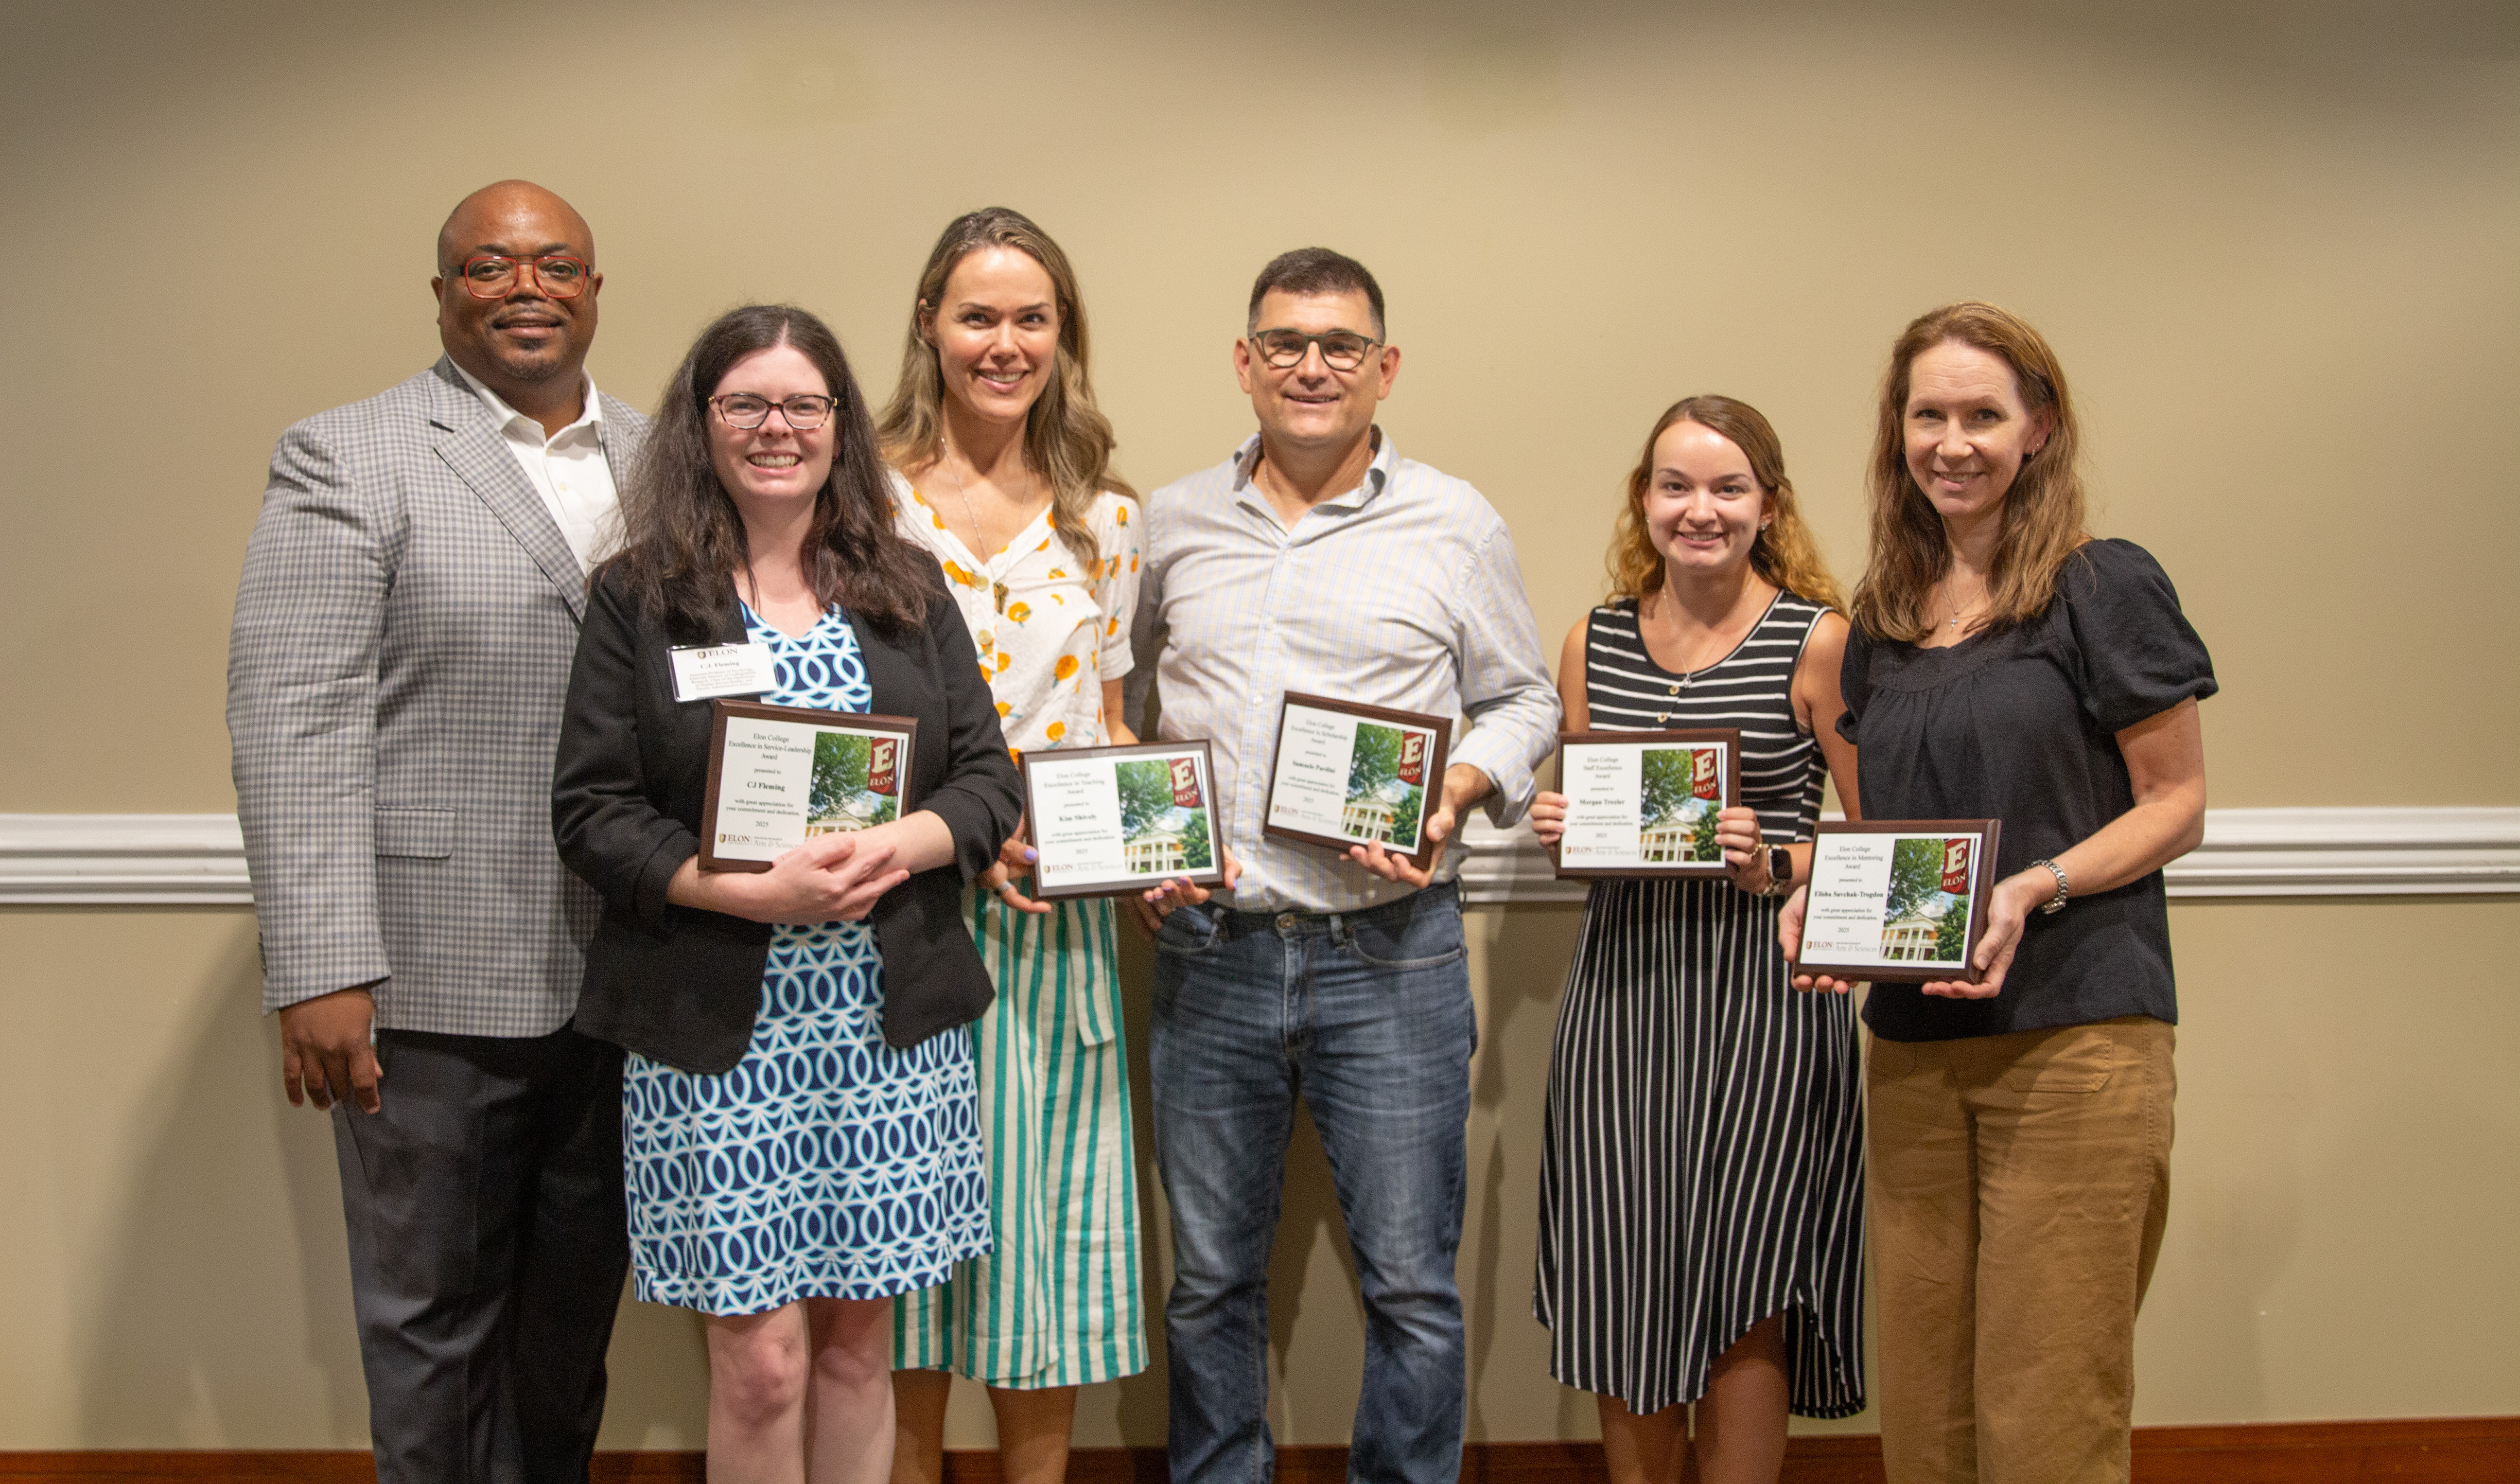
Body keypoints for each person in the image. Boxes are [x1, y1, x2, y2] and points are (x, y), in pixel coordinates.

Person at [550, 304, 1023, 1484]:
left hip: (886, 1022)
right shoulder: (640, 598)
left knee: (863, 1351)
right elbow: (593, 810)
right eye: (745, 404)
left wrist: (905, 843)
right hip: (718, 1032)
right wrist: (741, 893)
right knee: (759, 1361)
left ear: (839, 426)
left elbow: (985, 780)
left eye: (804, 404)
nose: (777, 428)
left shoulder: (906, 586)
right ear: (701, 425)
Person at [227, 179, 644, 1483]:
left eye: (555, 263)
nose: (526, 286)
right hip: (426, 981)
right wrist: (318, 964)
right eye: (488, 266)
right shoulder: (348, 453)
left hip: (629, 975)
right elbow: (291, 711)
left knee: (570, 1327)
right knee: (431, 1327)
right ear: (444, 292)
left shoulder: (667, 455)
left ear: (593, 288)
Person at [1129, 248, 1560, 1484]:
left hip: (1393, 948)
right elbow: (1125, 703)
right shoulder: (1169, 523)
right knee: (1208, 1279)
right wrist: (1142, 834)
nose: (1310, 365)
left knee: (1414, 1283)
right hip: (1214, 947)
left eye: (1338, 344)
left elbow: (1524, 699)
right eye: (1284, 342)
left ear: (1385, 367)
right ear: (1244, 361)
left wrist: (1457, 791)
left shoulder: (1455, 520)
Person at [1781, 302, 2214, 1484]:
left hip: (2077, 1040)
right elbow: (1886, 836)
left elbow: (2176, 800)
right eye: (1930, 414)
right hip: (1918, 1048)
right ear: (1898, 432)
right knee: (1925, 1412)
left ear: (2040, 429)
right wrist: (1818, 887)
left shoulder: (2099, 586)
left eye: (1983, 413)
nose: (1953, 441)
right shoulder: (1877, 623)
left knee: (2047, 1405)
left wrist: (2035, 884)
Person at [1526, 396, 1866, 1484]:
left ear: (1769, 504)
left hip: (1765, 997)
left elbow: (1875, 839)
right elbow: (1596, 823)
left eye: (1728, 488)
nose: (1701, 510)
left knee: (1748, 1274)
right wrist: (1559, 829)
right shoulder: (1597, 635)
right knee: (1624, 1261)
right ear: (1645, 498)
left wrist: (1773, 856)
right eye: (1677, 485)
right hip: (1624, 993)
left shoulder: (1819, 639)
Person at [871, 208, 1150, 1484]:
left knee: (1045, 1266)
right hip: (901, 914)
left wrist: (1156, 834)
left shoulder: (1108, 517)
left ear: (1063, 336)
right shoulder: (859, 500)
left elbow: (1108, 715)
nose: (1004, 342)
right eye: (978, 315)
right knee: (910, 1272)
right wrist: (952, 823)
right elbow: (827, 711)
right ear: (931, 324)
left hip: (1056, 918)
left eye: (1031, 317)